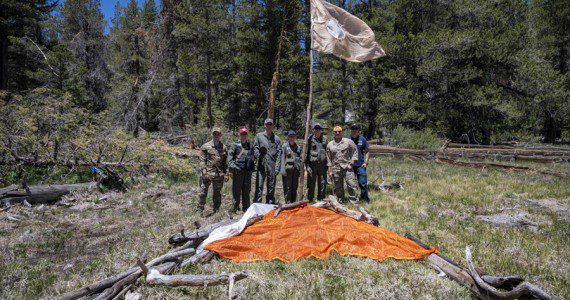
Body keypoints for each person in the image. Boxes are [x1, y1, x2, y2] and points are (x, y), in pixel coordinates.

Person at [198, 127, 228, 215]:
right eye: (214, 133)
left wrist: (226, 174)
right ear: (212, 134)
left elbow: (225, 163)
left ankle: (216, 210)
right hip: (207, 173)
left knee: (217, 193)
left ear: (220, 135)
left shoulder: (224, 147)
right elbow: (202, 160)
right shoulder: (205, 146)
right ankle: (199, 210)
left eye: (218, 134)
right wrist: (204, 171)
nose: (216, 135)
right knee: (203, 192)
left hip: (219, 175)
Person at [253, 118, 282, 204]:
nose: (269, 126)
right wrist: (259, 155)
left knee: (271, 185)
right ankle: (257, 203)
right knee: (259, 184)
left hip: (272, 165)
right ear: (264, 125)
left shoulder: (276, 139)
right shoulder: (259, 136)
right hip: (262, 164)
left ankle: (270, 203)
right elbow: (255, 148)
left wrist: (277, 167)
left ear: (272, 126)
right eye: (267, 124)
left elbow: (279, 154)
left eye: (270, 124)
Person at [326, 126, 358, 203]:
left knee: (351, 184)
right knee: (338, 187)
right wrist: (330, 171)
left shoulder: (348, 141)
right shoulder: (330, 144)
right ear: (333, 132)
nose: (337, 133)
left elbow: (355, 152)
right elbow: (328, 159)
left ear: (342, 132)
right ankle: (341, 201)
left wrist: (352, 163)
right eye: (336, 131)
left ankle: (354, 202)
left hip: (347, 167)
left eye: (339, 131)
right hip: (335, 168)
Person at [227, 127, 255, 212]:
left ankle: (246, 209)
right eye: (242, 134)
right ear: (240, 134)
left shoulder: (250, 145)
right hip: (238, 172)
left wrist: (253, 167)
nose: (243, 135)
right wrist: (235, 167)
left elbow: (254, 157)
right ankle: (234, 208)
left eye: (245, 134)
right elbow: (229, 159)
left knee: (246, 191)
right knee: (236, 191)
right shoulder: (235, 145)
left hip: (247, 172)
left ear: (247, 135)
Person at [277, 130, 301, 203]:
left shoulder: (298, 147)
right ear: (288, 137)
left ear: (295, 137)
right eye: (290, 136)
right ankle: (288, 203)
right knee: (287, 188)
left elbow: (300, 158)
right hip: (287, 172)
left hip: (296, 171)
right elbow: (282, 158)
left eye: (293, 136)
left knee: (294, 187)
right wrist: (283, 170)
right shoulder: (284, 146)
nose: (292, 138)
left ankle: (293, 203)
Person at [305, 123, 328, 203]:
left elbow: (327, 152)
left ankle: (320, 199)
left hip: (322, 165)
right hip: (312, 165)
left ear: (321, 130)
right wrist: (306, 166)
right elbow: (306, 153)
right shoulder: (309, 139)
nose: (317, 130)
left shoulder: (325, 139)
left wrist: (328, 165)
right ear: (313, 130)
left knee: (322, 183)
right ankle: (310, 200)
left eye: (319, 129)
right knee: (311, 183)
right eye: (316, 128)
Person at [349, 124, 371, 203]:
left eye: (356, 129)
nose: (354, 131)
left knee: (363, 183)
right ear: (350, 130)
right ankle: (353, 200)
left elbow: (367, 151)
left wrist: (366, 162)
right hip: (350, 166)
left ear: (358, 130)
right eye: (352, 129)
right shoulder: (347, 139)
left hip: (360, 165)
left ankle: (365, 199)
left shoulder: (362, 139)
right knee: (351, 184)